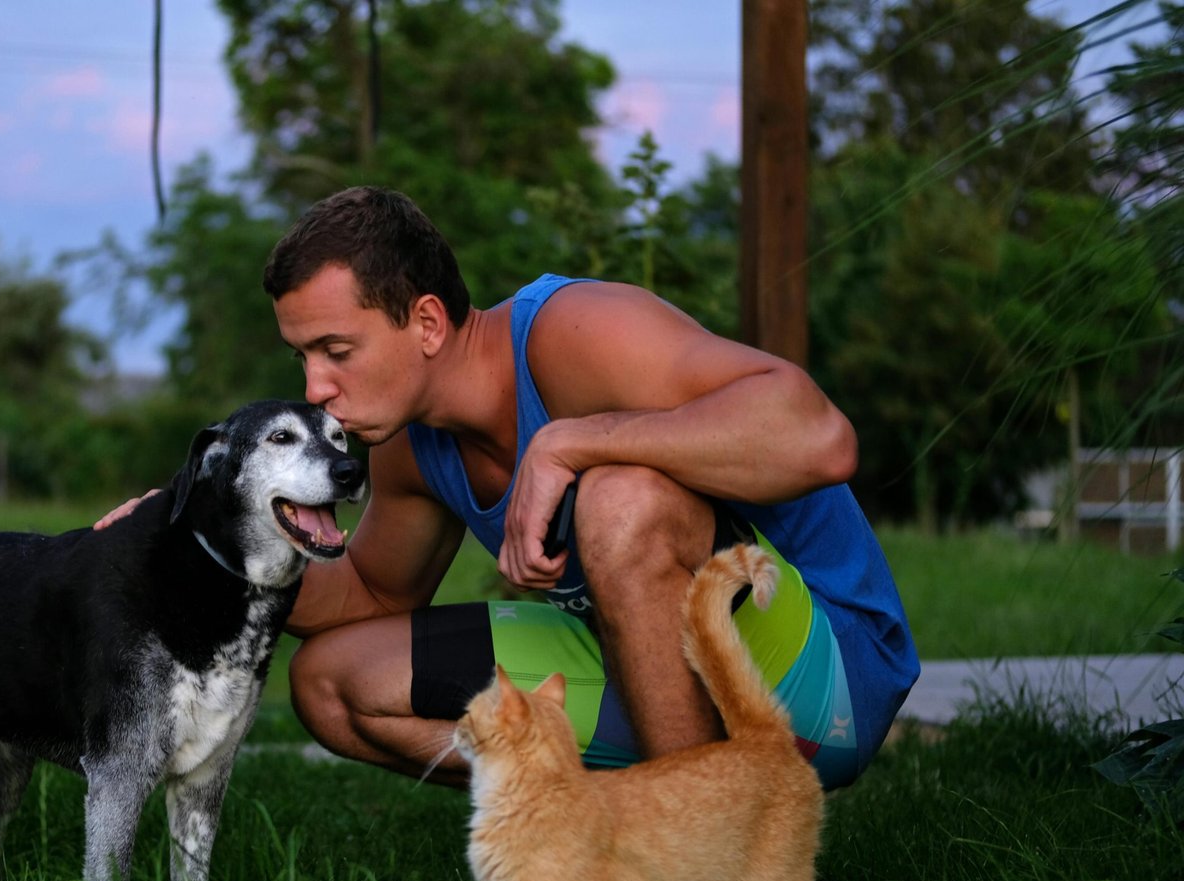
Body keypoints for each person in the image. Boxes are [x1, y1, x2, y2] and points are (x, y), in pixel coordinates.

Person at [101, 186, 919, 793]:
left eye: (336, 350)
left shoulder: (573, 332)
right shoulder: (414, 446)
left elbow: (818, 434)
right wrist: (196, 544)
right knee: (335, 683)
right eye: (301, 358)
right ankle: (606, 828)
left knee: (621, 499)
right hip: (656, 667)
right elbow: (370, 593)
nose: (316, 388)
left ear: (426, 323)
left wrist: (571, 440)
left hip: (823, 668)